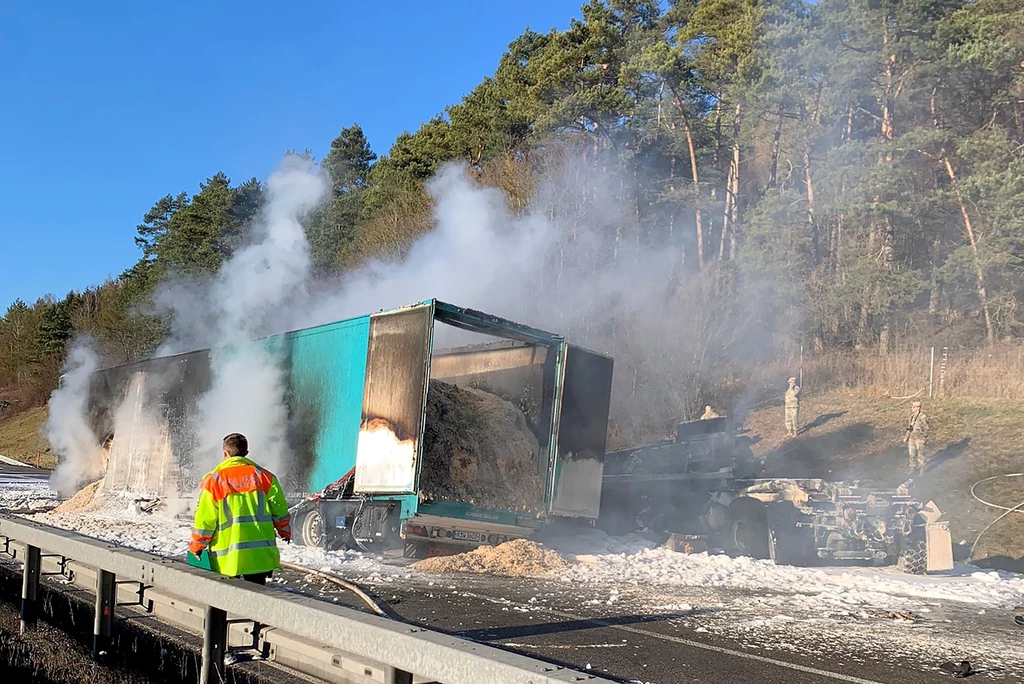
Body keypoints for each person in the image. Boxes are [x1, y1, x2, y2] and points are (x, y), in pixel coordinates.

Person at [189, 433, 291, 585]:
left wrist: (197, 546)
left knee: (225, 600)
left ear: (225, 453)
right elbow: (280, 511)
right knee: (257, 599)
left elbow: (205, 520)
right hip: (259, 557)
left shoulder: (213, 481)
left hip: (228, 558)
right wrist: (285, 532)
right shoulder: (266, 478)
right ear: (246, 453)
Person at [903, 401, 929, 477]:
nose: (912, 408)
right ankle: (912, 468)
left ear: (918, 408)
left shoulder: (922, 416)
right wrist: (906, 437)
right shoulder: (911, 417)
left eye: (913, 407)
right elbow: (909, 428)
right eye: (912, 407)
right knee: (912, 454)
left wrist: (923, 438)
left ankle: (922, 470)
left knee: (920, 455)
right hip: (912, 437)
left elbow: (926, 428)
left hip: (919, 438)